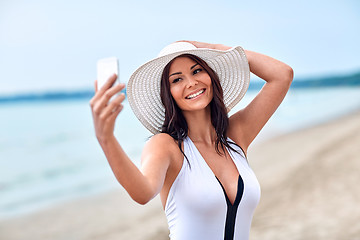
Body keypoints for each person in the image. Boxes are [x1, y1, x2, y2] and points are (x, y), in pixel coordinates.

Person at [89, 40, 293, 240]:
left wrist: (215, 49)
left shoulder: (235, 135)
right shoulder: (166, 146)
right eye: (177, 79)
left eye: (197, 71)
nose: (191, 83)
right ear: (167, 93)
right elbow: (142, 193)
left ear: (211, 76)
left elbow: (282, 75)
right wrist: (106, 139)